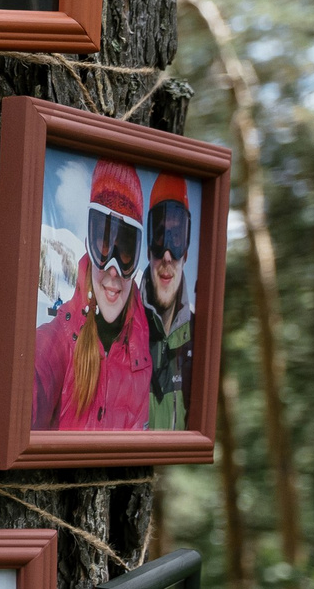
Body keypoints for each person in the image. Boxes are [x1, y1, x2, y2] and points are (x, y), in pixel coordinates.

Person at [31, 159, 153, 430]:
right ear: (88, 243)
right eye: (104, 243)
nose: (113, 270)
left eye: (125, 251)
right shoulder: (59, 341)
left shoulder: (144, 351)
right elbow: (33, 379)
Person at [142, 173, 195, 429]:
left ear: (185, 251)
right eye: (160, 236)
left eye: (176, 238)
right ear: (147, 247)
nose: (166, 255)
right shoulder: (122, 324)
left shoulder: (198, 335)